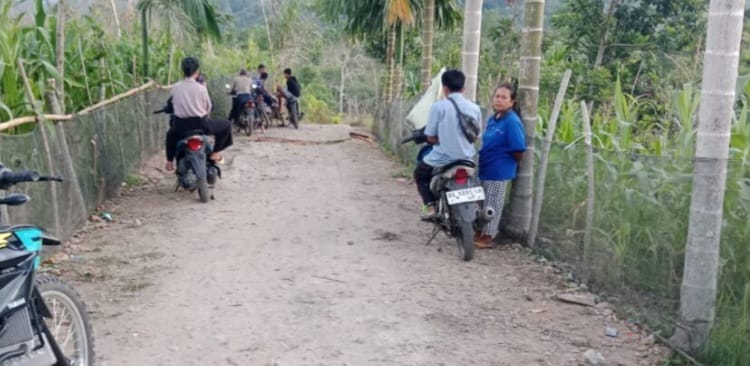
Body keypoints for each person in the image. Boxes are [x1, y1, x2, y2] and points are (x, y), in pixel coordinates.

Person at [413, 69, 482, 218]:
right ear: (464, 88)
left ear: (444, 89)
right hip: (467, 159)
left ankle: (430, 207)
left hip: (443, 158)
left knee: (420, 173)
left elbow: (430, 136)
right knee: (476, 179)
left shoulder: (438, 107)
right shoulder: (475, 108)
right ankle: (476, 206)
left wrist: (439, 139)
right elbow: (476, 137)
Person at [474, 83, 526, 248]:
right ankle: (479, 231)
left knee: (492, 204)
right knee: (482, 203)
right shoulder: (493, 118)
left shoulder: (512, 122)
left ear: (512, 102)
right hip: (485, 168)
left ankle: (489, 236)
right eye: (497, 96)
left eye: (504, 97)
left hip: (499, 170)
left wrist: (507, 163)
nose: (499, 100)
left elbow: (518, 149)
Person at [165, 57, 233, 171]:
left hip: (180, 125)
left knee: (170, 136)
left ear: (183, 70)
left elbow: (173, 102)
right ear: (197, 71)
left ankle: (169, 162)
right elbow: (208, 107)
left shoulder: (175, 87)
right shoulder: (201, 88)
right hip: (200, 124)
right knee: (226, 125)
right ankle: (215, 153)